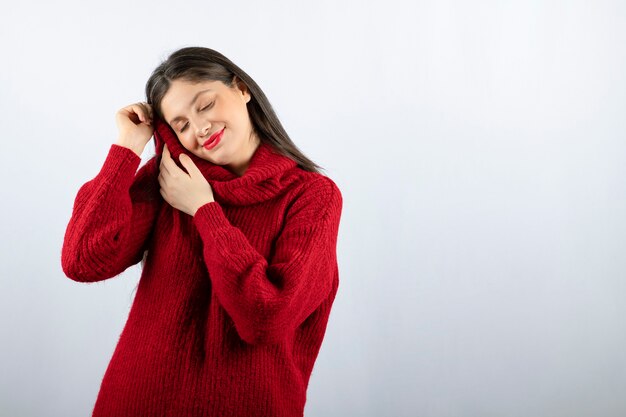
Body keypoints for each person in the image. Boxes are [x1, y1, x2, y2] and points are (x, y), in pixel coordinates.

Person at [61, 46, 343, 417]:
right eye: (181, 124)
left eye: (205, 105)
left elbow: (265, 320)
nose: (200, 128)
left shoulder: (311, 196)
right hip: (135, 401)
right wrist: (127, 148)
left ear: (241, 88)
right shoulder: (170, 180)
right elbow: (82, 260)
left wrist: (204, 211)